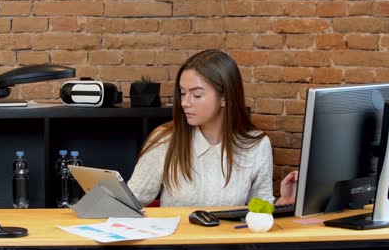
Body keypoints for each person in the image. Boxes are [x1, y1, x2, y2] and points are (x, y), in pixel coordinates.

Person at [127, 49, 297, 207]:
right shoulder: (165, 139)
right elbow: (127, 204)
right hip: (177, 239)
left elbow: (259, 213)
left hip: (230, 239)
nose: (185, 102)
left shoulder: (256, 145)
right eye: (183, 92)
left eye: (197, 95)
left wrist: (284, 203)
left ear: (225, 98)